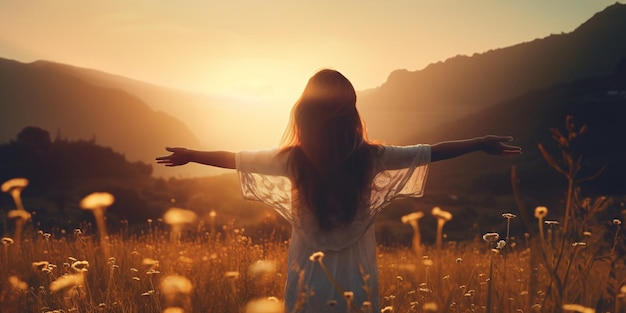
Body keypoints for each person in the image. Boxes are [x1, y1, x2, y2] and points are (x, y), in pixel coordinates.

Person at [156, 69, 522, 312]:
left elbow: (237, 159)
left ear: (305, 116)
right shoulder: (371, 157)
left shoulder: (292, 160)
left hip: (306, 264)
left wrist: (192, 155)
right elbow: (431, 151)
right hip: (357, 265)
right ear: (350, 116)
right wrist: (479, 142)